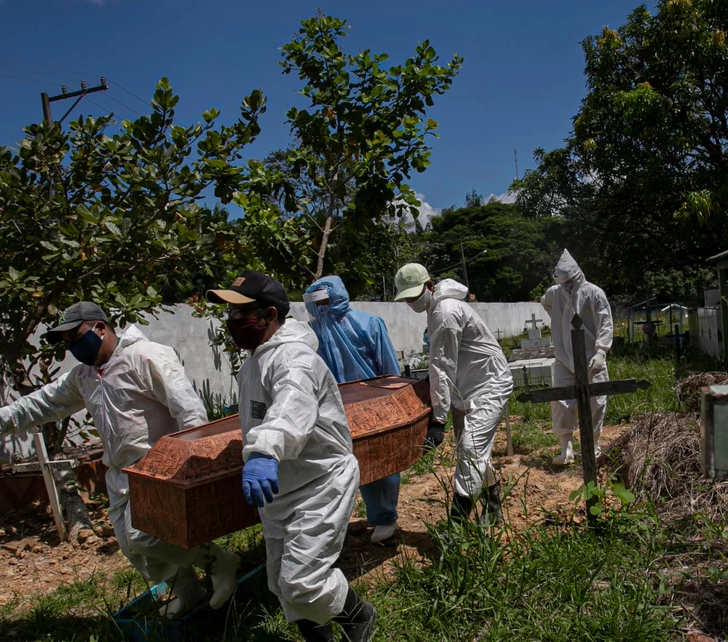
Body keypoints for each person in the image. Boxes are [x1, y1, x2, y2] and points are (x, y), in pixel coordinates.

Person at [0, 302, 239, 618]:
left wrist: (192, 463)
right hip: (121, 475)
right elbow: (42, 403)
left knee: (145, 537)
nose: (72, 347)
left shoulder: (145, 356)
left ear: (101, 328)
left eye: (76, 337)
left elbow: (188, 410)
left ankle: (219, 561)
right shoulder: (84, 376)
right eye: (67, 343)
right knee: (134, 548)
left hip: (161, 469)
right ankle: (189, 591)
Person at [208, 271, 376, 642]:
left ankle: (358, 615)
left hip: (319, 482)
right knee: (281, 583)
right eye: (230, 313)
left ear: (269, 314)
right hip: (282, 487)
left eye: (241, 313)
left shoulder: (294, 358)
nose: (232, 322)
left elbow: (290, 407)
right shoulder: (254, 361)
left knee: (302, 580)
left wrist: (265, 451)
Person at [393, 263, 512, 526]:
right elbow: (443, 361)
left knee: (470, 450)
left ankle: (455, 528)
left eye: (416, 295)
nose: (413, 301)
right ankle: (493, 504)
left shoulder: (446, 311)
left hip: (488, 386)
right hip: (467, 387)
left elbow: (442, 364)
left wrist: (438, 418)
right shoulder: (436, 308)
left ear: (430, 285)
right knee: (471, 453)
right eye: (408, 298)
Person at [303, 276, 404, 545]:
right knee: (342, 463)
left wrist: (394, 401)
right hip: (335, 407)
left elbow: (389, 367)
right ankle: (342, 518)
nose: (322, 307)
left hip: (373, 404)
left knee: (381, 460)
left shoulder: (368, 323)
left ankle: (385, 517)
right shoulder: (314, 332)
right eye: (317, 302)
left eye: (325, 300)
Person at [541, 250, 614, 466]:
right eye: (563, 283)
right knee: (561, 402)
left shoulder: (594, 293)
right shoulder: (554, 294)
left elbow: (606, 323)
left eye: (570, 282)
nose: (567, 287)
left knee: (596, 402)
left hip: (592, 357)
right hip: (564, 358)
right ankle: (567, 449)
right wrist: (556, 318)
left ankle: (594, 445)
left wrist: (601, 351)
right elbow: (544, 303)